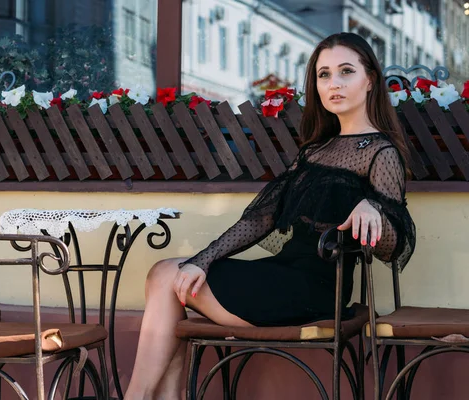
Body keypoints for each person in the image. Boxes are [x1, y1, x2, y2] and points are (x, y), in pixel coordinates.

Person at [124, 32, 416, 400]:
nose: (334, 83)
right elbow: (260, 220)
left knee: (167, 277)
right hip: (282, 273)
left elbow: (395, 242)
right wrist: (203, 260)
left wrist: (371, 208)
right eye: (323, 75)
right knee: (169, 273)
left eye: (346, 71)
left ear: (370, 79)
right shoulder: (315, 151)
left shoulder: (380, 151)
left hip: (319, 290)